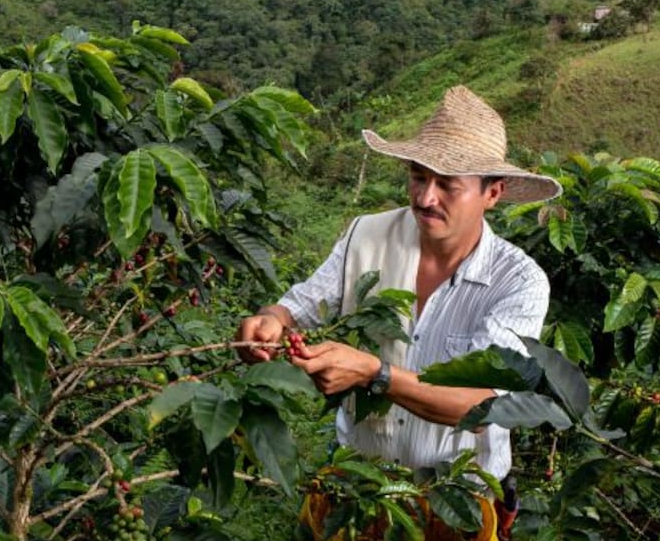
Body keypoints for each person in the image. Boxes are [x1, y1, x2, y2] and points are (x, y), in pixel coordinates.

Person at [236, 85, 561, 482]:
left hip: (460, 493)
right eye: (418, 178)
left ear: (492, 193)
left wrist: (376, 374)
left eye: (448, 186)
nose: (425, 198)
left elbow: (483, 407)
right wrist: (269, 320)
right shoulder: (366, 236)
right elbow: (297, 308)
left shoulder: (518, 282)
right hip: (359, 482)